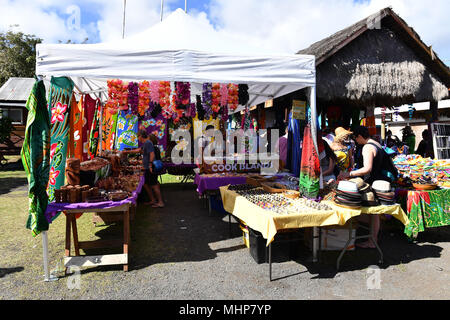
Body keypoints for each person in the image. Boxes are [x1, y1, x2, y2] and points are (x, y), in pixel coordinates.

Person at [338, 125, 398, 248]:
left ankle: (372, 240)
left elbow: (367, 168)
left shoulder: (367, 147)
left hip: (377, 182)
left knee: (373, 211)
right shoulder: (376, 143)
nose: (355, 141)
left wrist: (348, 174)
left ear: (360, 136)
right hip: (381, 181)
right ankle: (373, 237)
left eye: (355, 138)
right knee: (374, 212)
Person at [124, 130, 164, 208]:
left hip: (151, 168)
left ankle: (160, 202)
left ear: (141, 136)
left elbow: (152, 155)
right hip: (148, 167)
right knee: (145, 183)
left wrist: (149, 165)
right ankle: (152, 199)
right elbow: (139, 150)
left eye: (138, 137)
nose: (138, 139)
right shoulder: (147, 143)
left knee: (154, 185)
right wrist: (127, 152)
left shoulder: (148, 143)